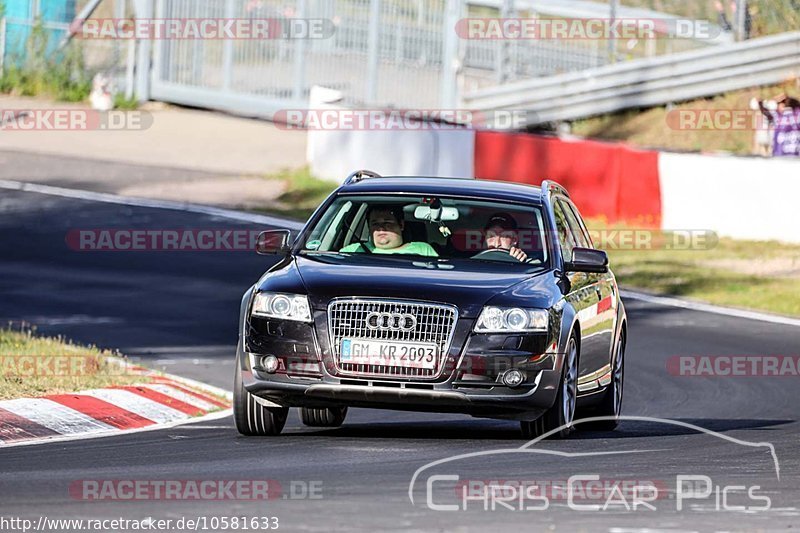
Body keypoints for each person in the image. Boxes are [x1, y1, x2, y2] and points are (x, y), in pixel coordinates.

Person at [339, 205, 438, 256]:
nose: (381, 228)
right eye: (375, 224)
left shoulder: (423, 250)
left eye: (387, 223)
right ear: (369, 228)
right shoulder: (353, 251)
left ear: (401, 225)